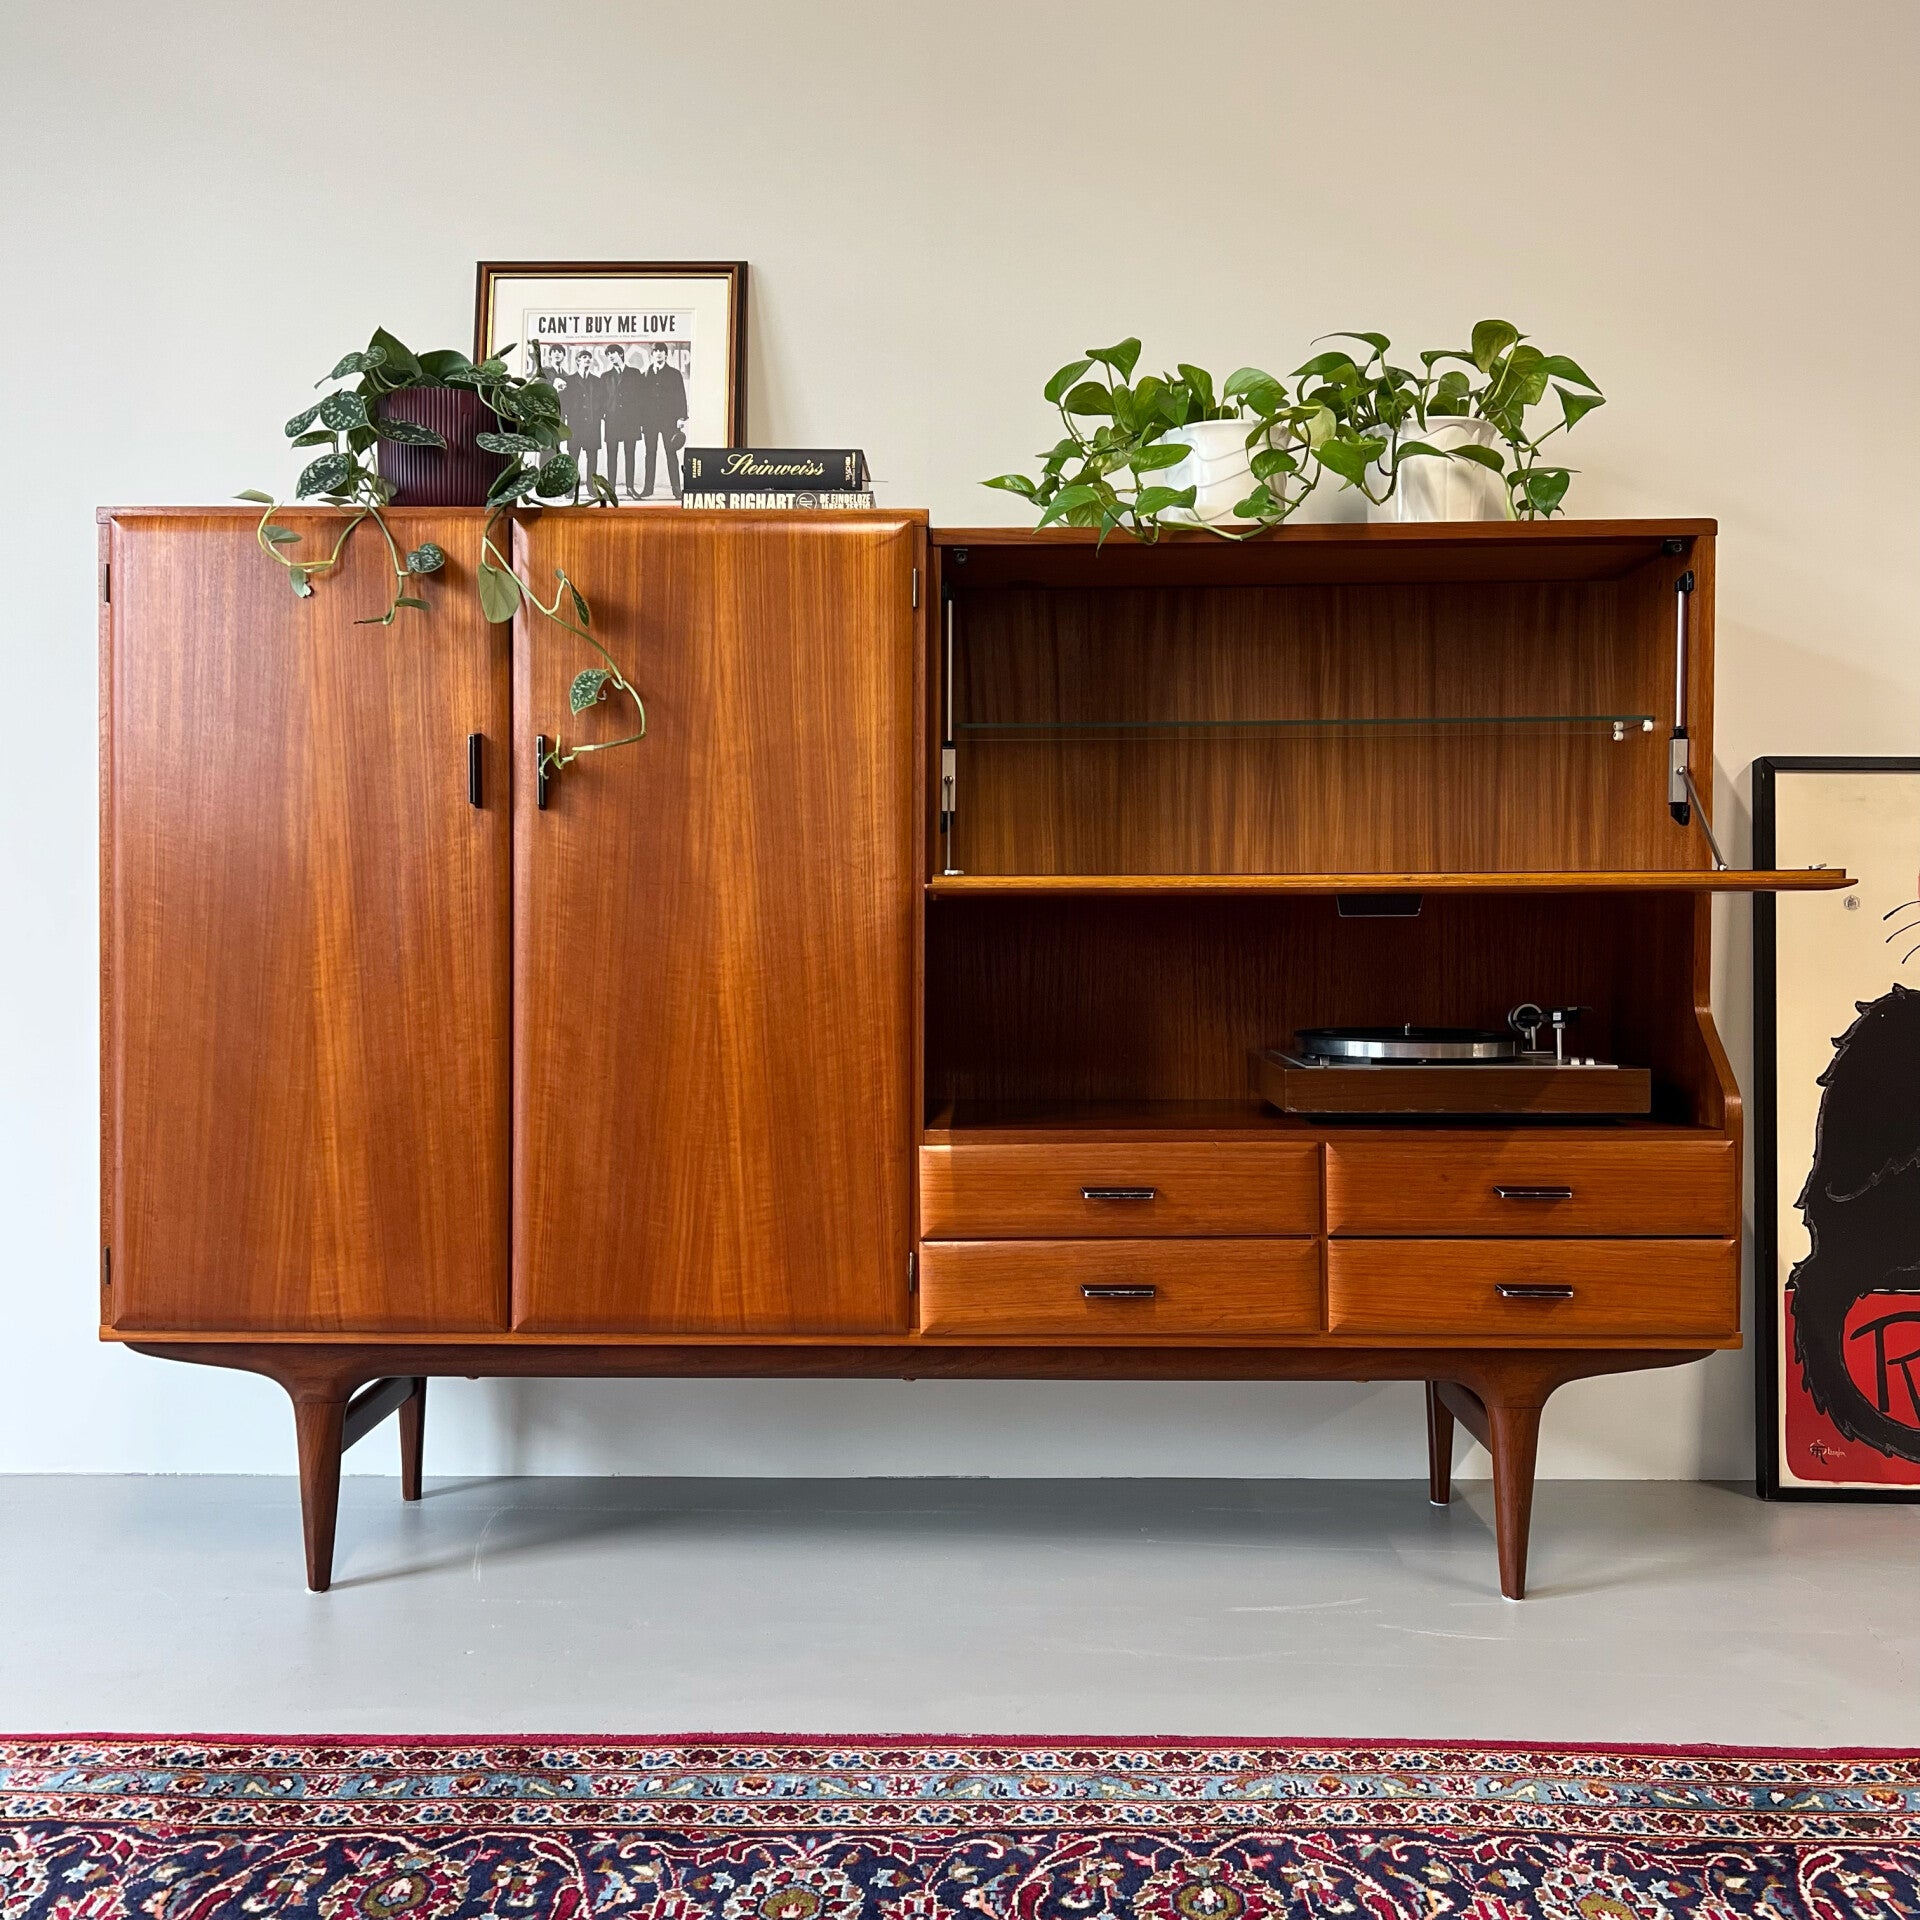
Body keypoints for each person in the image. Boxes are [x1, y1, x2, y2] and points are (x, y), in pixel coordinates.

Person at [639, 343, 689, 500]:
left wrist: (681, 417)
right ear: (652, 354)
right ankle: (648, 489)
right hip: (650, 421)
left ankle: (676, 490)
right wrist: (641, 420)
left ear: (666, 355)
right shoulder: (645, 374)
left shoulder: (674, 374)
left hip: (669, 420)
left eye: (662, 351)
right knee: (650, 454)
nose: (659, 353)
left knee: (671, 453)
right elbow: (641, 401)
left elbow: (681, 396)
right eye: (656, 351)